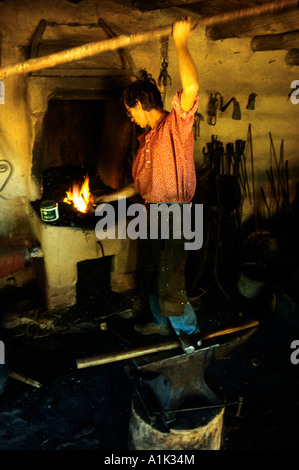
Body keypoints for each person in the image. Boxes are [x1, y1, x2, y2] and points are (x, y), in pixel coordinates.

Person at [92, 18, 200, 345]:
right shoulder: (144, 146)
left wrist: (180, 41)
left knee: (170, 281)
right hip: (151, 214)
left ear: (140, 103)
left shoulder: (175, 129)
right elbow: (139, 188)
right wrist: (107, 199)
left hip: (178, 216)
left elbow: (192, 89)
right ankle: (159, 324)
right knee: (150, 275)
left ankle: (191, 337)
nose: (130, 117)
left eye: (130, 111)